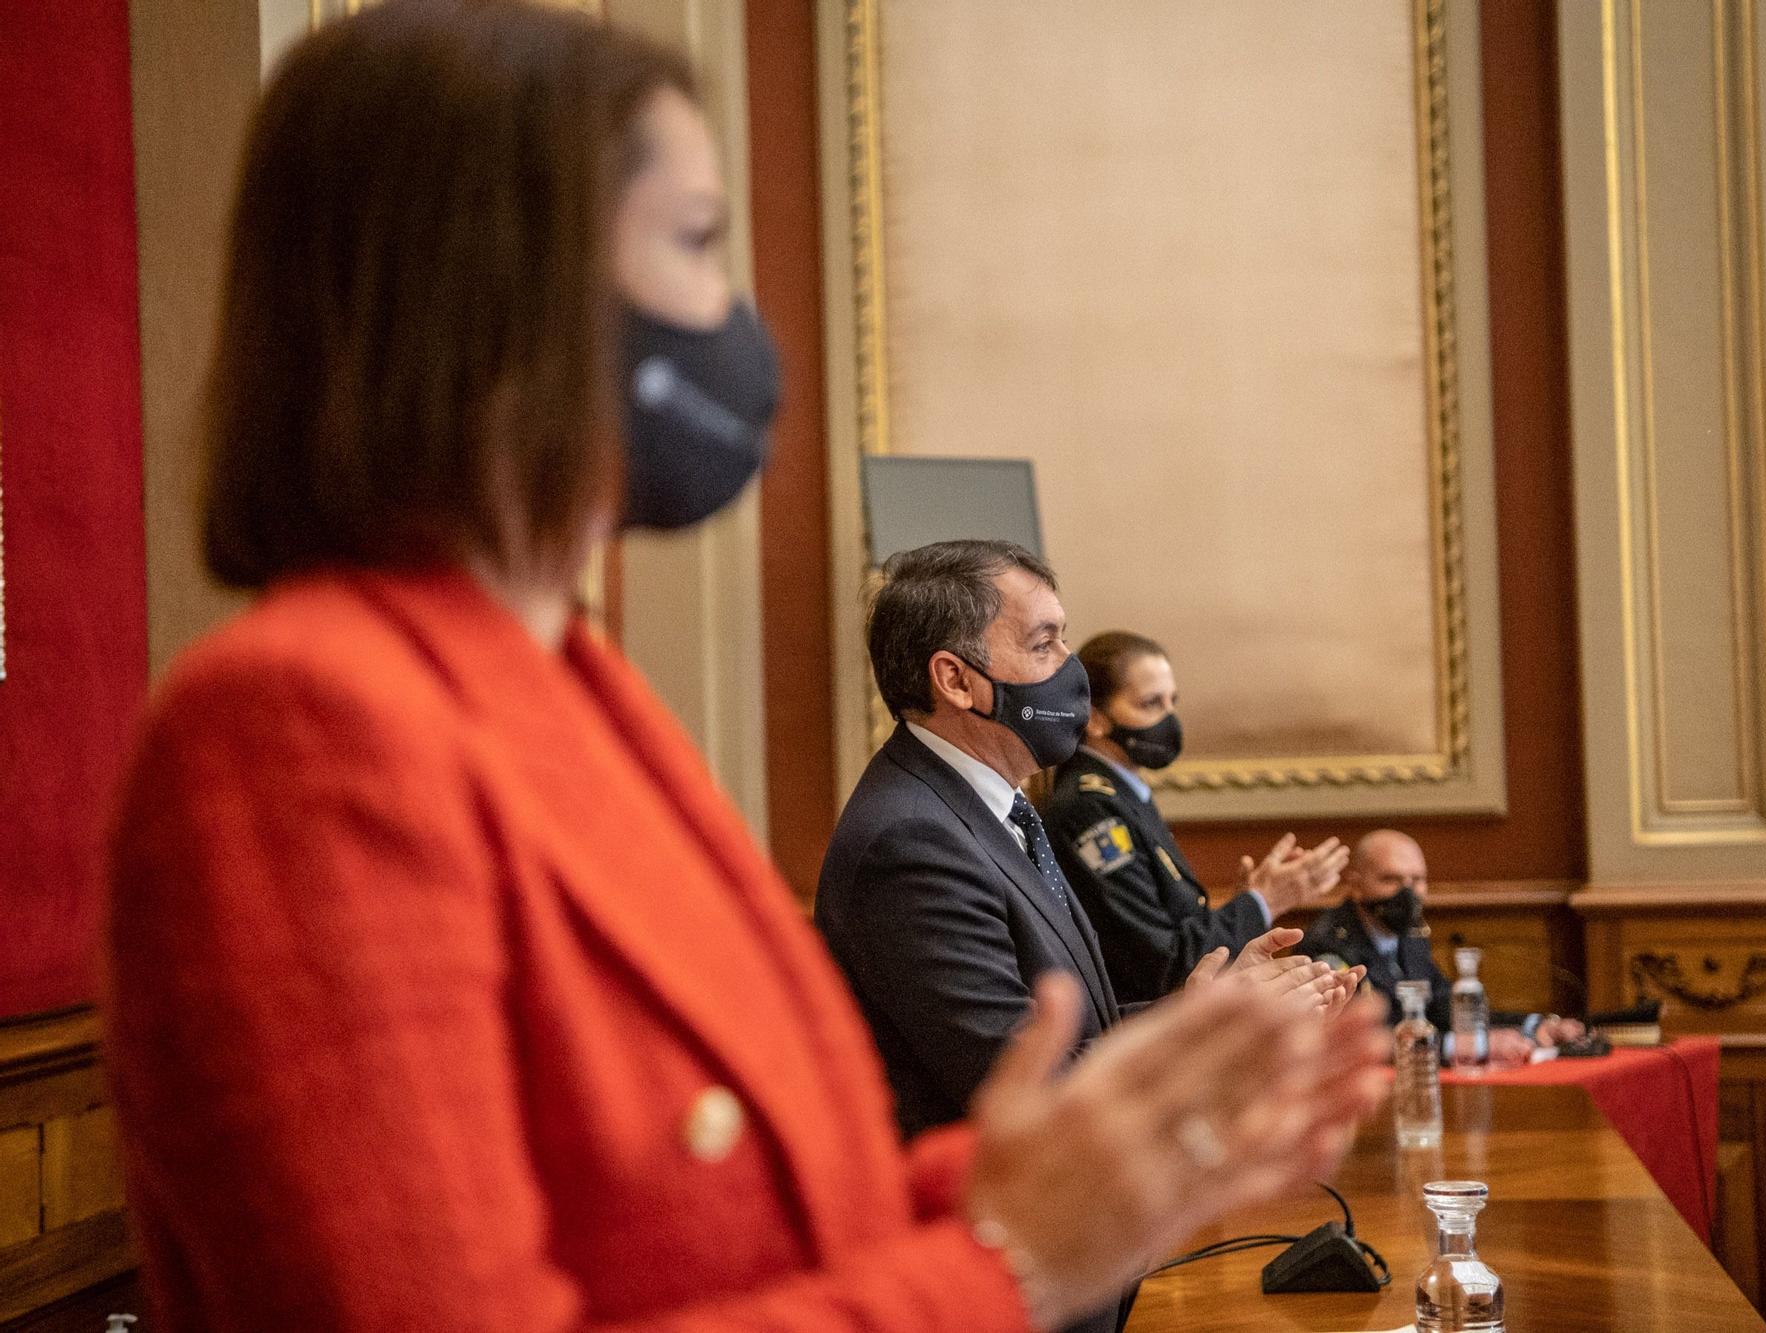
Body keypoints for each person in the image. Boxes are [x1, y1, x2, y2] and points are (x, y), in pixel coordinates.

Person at [98, 7, 1393, 1331]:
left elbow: (766, 1212)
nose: (736, 318)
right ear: (505, 289)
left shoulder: (573, 694)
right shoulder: (299, 727)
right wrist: (1007, 1261)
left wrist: (1125, 1144)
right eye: (698, 242)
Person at [814, 543, 1353, 1145]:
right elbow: (1022, 1086)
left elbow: (1080, 1030)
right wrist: (1200, 1031)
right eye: (1044, 644)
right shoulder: (911, 845)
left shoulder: (996, 807)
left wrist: (1213, 1008)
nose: (1070, 668)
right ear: (956, 680)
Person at [1043, 631, 1353, 1004]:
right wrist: (1263, 900)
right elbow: (1162, 964)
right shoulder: (1090, 809)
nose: (1168, 720)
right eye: (1150, 704)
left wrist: (1248, 900)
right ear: (1095, 719)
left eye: (1172, 702)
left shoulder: (1123, 795)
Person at [1298, 828, 1586, 1066]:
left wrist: (1533, 1025)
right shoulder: (1328, 946)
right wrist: (1455, 1046)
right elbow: (1351, 1041)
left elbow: (1443, 1004)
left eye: (1417, 880)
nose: (1407, 893)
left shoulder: (1411, 935)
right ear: (1356, 884)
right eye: (1391, 880)